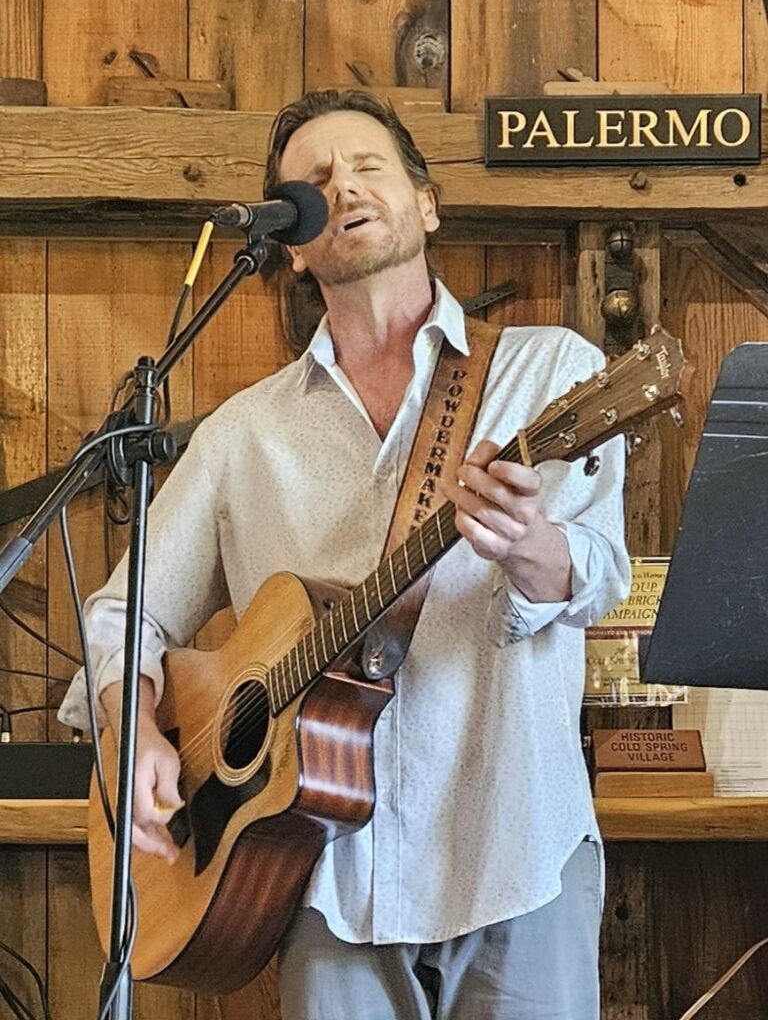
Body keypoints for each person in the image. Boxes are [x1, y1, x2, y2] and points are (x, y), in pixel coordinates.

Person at [59, 88, 631, 1020]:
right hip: (320, 876)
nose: (345, 186)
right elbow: (124, 614)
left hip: (515, 847)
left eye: (368, 165)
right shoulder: (244, 436)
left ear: (427, 201)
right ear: (291, 242)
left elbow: (599, 571)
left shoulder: (544, 372)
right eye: (314, 183)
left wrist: (532, 548)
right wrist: (138, 729)